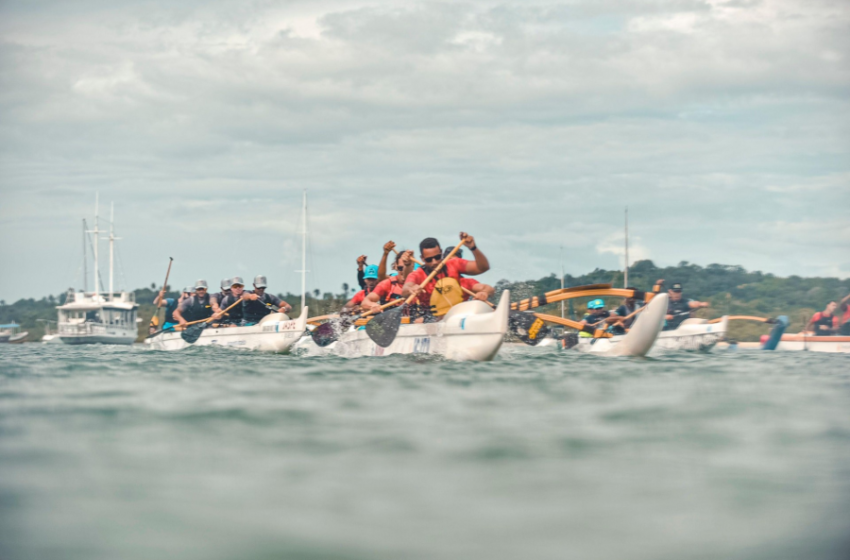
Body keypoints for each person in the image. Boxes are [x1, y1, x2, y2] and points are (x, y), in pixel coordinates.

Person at [402, 233, 491, 319]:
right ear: (422, 258)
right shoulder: (418, 274)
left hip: (459, 314)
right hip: (431, 318)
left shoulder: (454, 263)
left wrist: (473, 248)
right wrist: (411, 289)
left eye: (437, 257)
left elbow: (483, 268)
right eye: (429, 259)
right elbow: (405, 289)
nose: (434, 262)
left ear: (441, 252)